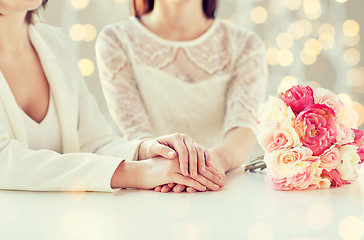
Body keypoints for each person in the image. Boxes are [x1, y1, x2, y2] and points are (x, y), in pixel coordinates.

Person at [0, 0, 224, 192]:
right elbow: (5, 160)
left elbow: (94, 142)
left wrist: (146, 151)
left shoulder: (55, 44)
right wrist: (137, 173)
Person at [96, 0, 267, 193]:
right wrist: (163, 166)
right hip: (151, 190)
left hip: (222, 187)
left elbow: (243, 131)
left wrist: (212, 163)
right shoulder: (116, 39)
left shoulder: (245, 44)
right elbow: (137, 132)